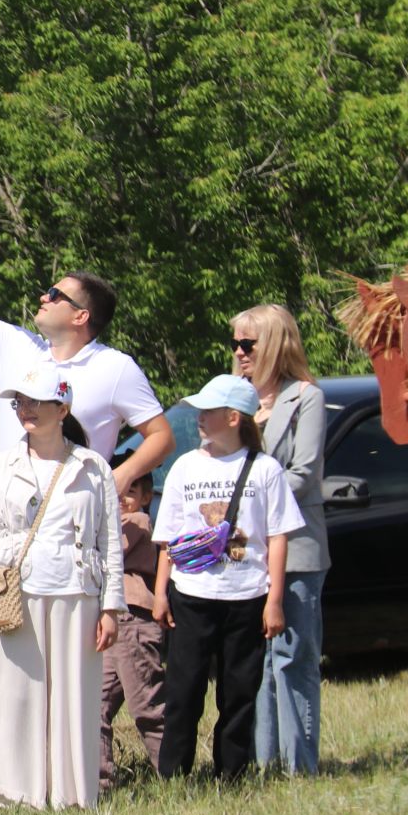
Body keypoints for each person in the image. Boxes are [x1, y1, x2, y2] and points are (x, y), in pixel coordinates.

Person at [0, 364, 123, 810]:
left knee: (74, 695)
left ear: (63, 407)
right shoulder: (0, 466)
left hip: (77, 591)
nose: (27, 411)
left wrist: (112, 607)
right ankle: (10, 791)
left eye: (37, 401)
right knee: (12, 693)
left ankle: (71, 793)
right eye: (21, 402)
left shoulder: (93, 468)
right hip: (13, 592)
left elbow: (109, 541)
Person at [0, 192, 173, 488]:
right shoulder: (18, 346)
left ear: (81, 316)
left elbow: (162, 436)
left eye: (54, 295)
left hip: (74, 516)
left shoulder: (115, 368)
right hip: (10, 514)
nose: (43, 297)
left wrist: (119, 477)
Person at [152, 375, 304, 781]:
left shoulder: (265, 470)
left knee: (239, 692)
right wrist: (160, 591)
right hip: (192, 594)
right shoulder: (185, 466)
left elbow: (276, 537)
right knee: (183, 690)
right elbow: (168, 537)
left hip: (247, 595)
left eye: (209, 411)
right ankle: (174, 774)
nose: (200, 418)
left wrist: (273, 600)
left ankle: (231, 773)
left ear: (234, 417)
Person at [233, 304, 330, 776]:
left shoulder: (305, 398)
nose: (239, 352)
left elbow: (304, 474)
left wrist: (246, 499)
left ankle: (301, 766)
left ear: (274, 343)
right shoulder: (237, 399)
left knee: (293, 656)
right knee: (258, 663)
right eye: (234, 344)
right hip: (245, 552)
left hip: (297, 549)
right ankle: (263, 763)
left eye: (247, 344)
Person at [99, 470, 166, 789]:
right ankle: (99, 778)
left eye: (130, 491)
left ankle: (171, 771)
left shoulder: (139, 522)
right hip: (114, 621)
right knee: (95, 705)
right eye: (117, 492)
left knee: (147, 705)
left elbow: (111, 551)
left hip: (133, 619)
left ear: (146, 498)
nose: (122, 499)